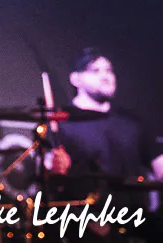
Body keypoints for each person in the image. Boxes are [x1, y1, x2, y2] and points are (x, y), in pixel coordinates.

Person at [44, 47, 163, 241]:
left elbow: (160, 166)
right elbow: (51, 180)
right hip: (86, 229)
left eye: (109, 70)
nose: (106, 76)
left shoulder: (132, 123)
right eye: (95, 70)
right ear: (76, 79)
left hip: (136, 227)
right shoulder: (62, 124)